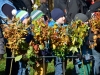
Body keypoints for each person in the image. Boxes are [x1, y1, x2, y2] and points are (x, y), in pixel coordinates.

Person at [30, 9, 52, 75]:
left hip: (45, 51)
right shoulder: (34, 29)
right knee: (39, 70)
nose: (43, 19)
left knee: (44, 69)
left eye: (43, 17)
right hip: (39, 52)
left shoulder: (45, 27)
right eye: (41, 17)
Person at [51, 8, 66, 75]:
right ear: (56, 19)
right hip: (57, 50)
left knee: (63, 65)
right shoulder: (54, 28)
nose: (64, 18)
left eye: (64, 16)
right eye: (61, 17)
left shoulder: (63, 26)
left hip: (63, 50)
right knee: (59, 66)